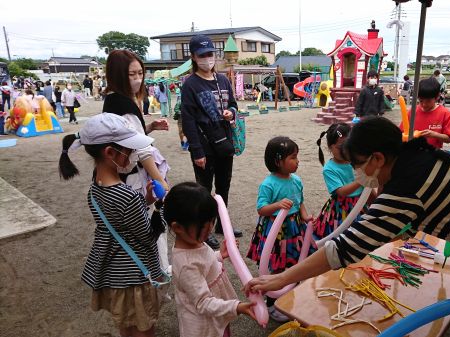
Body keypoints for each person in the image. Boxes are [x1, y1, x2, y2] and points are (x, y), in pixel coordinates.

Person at [246, 116, 450, 337]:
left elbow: (343, 249)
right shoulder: (423, 155)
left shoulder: (404, 189)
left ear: (376, 159)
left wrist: (282, 277)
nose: (357, 171)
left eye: (358, 163)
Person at [59, 113, 166, 337]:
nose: (133, 155)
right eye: (129, 150)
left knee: (125, 324)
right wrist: (160, 208)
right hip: (135, 275)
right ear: (110, 153)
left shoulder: (95, 190)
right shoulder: (126, 195)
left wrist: (144, 201)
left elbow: (118, 221)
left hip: (113, 272)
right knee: (143, 328)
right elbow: (147, 236)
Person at [156, 182, 257, 337]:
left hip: (215, 313)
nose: (210, 228)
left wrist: (219, 255)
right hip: (204, 326)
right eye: (203, 225)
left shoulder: (193, 241)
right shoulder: (186, 265)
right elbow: (203, 303)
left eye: (212, 221)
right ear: (177, 228)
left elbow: (203, 260)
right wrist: (236, 307)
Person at [102, 49, 171, 272]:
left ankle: (150, 270)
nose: (138, 78)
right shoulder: (123, 104)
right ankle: (158, 271)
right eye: (132, 74)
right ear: (118, 74)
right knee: (152, 224)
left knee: (135, 226)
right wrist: (162, 181)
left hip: (124, 176)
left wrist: (149, 127)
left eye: (140, 73)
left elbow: (129, 136)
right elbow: (142, 150)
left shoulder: (114, 100)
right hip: (134, 179)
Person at [181, 34, 243, 249]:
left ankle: (222, 225)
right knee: (204, 190)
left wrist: (231, 112)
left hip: (224, 142)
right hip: (204, 146)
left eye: (210, 54)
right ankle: (204, 229)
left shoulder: (223, 80)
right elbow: (187, 119)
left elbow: (234, 104)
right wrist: (196, 151)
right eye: (203, 55)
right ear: (194, 57)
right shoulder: (190, 84)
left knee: (224, 186)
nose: (208, 58)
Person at [246, 136, 314, 322]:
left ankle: (292, 296)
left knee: (296, 262)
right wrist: (277, 205)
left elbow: (300, 203)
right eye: (293, 157)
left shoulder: (297, 180)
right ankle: (272, 304)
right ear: (278, 161)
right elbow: (261, 209)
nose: (297, 161)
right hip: (277, 232)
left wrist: (306, 216)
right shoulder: (268, 184)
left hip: (294, 228)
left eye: (297, 156)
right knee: (277, 266)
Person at [313, 123, 368, 239]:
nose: (345, 151)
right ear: (330, 147)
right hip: (342, 210)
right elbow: (341, 191)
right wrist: (361, 181)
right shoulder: (329, 169)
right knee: (342, 237)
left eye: (347, 146)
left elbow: (367, 188)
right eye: (340, 147)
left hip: (360, 205)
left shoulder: (356, 161)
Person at [400, 77, 450, 149]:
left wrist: (434, 134)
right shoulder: (412, 111)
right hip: (413, 152)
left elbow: (448, 139)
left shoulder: (445, 114)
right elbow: (401, 132)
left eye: (428, 101)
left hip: (433, 154)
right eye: (421, 100)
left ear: (437, 96)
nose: (424, 104)